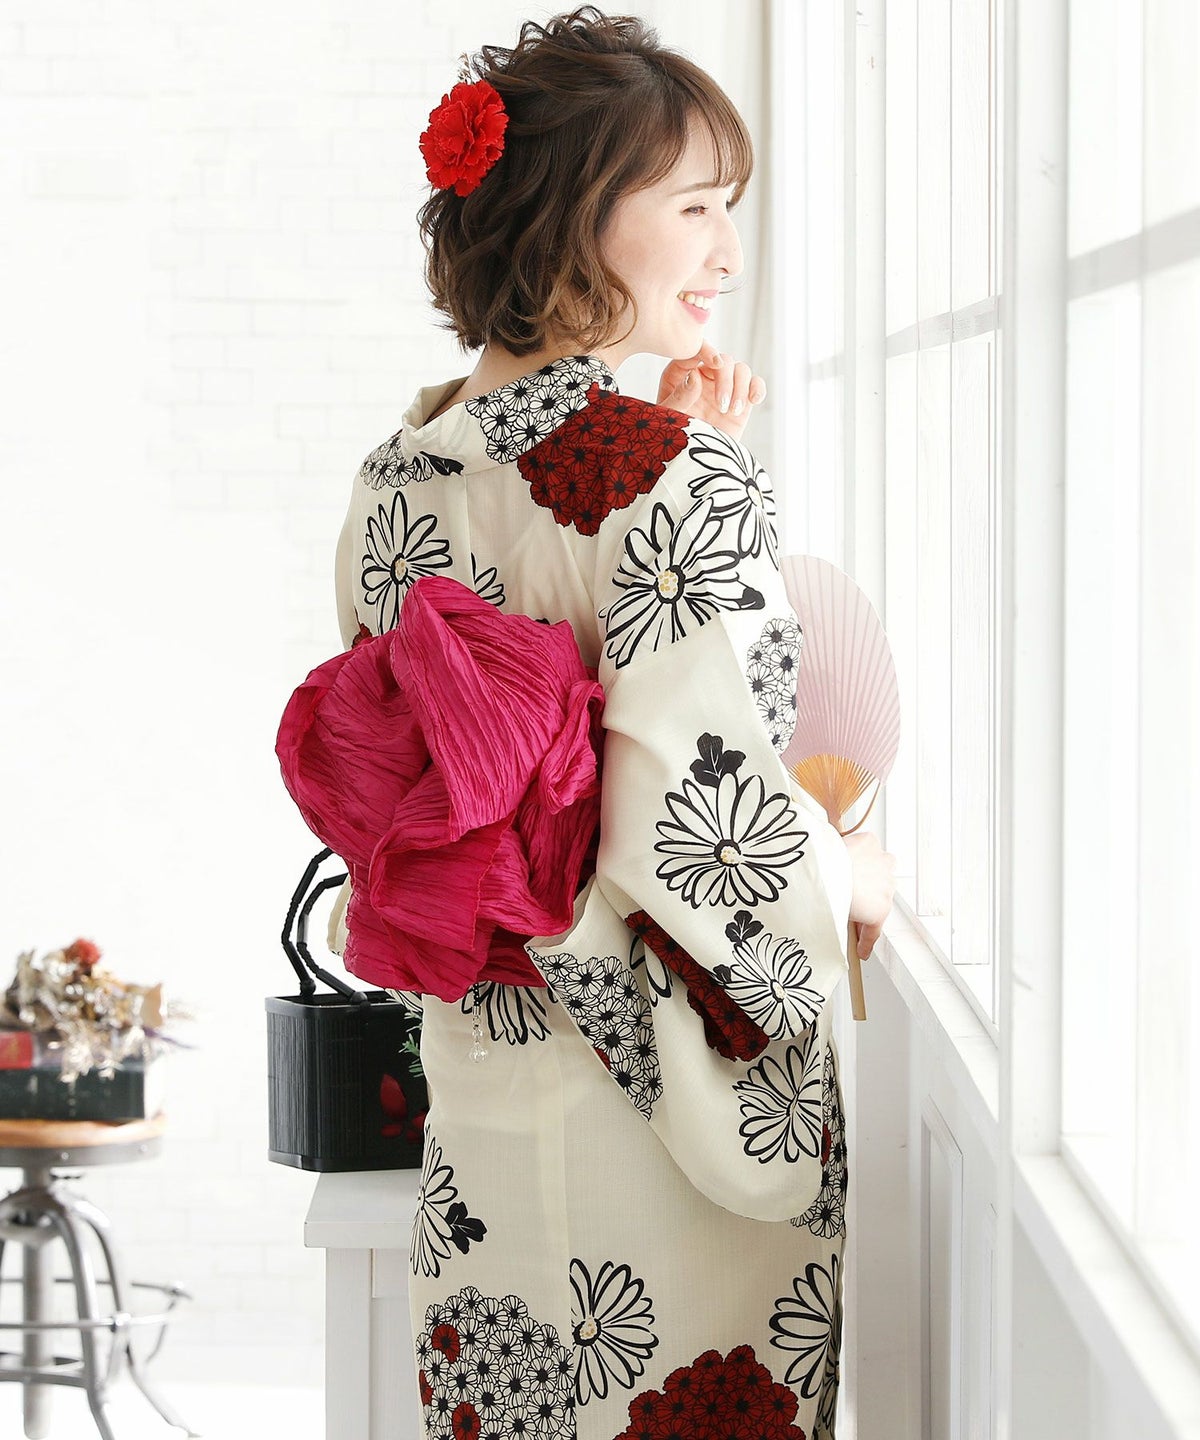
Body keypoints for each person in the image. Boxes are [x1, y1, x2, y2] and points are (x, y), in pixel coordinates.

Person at [326, 9, 896, 1438]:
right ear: (579, 217)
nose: (728, 252)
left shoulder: (394, 482)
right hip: (654, 1127)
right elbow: (710, 835)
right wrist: (846, 876)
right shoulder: (675, 480)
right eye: (696, 208)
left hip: (483, 1076)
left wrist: (681, 446)